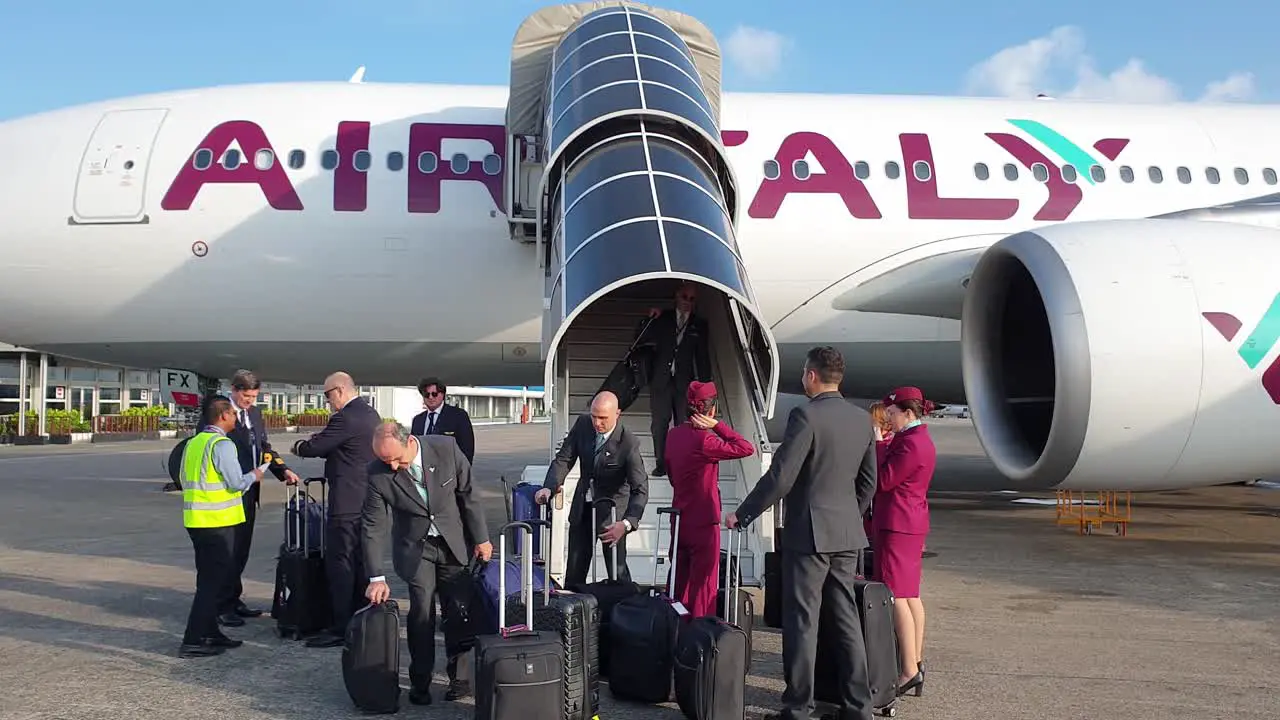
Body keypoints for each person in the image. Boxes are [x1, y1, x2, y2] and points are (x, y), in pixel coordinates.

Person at [725, 346, 878, 720]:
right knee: (845, 621)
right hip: (845, 533)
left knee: (802, 623)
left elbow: (781, 477)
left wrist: (743, 515)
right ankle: (859, 707)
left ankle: (798, 707)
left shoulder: (805, 416)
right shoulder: (861, 420)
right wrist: (846, 517)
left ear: (811, 375)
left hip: (809, 535)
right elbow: (869, 483)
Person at [363, 422, 492, 706]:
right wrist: (376, 577)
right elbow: (373, 525)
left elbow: (468, 494)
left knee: (458, 611)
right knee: (421, 613)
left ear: (410, 441)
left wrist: (481, 538)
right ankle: (420, 681)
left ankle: (459, 679)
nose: (394, 467)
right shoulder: (377, 473)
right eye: (386, 461)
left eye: (397, 459)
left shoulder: (445, 449)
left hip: (452, 544)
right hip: (415, 549)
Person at [178, 395, 276, 658]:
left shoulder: (195, 442)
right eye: (232, 414)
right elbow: (235, 482)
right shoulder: (222, 445)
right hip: (217, 523)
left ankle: (210, 633)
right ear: (222, 416)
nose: (236, 418)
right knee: (214, 584)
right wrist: (255, 475)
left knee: (207, 579)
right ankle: (194, 638)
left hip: (197, 520)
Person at [290, 371, 383, 648]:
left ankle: (341, 626)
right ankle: (359, 619)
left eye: (328, 395)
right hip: (366, 500)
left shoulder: (346, 417)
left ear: (340, 391)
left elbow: (315, 447)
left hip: (346, 502)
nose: (328, 401)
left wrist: (299, 445)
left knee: (340, 564)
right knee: (359, 563)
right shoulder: (370, 414)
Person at [534, 390, 648, 586]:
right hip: (583, 508)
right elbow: (564, 458)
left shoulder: (628, 443)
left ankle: (623, 610)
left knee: (616, 571)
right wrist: (549, 487)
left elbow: (640, 489)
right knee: (575, 568)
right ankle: (574, 609)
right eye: (594, 416)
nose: (597, 423)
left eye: (603, 418)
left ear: (617, 414)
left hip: (612, 515)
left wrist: (627, 524)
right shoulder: (583, 425)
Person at [662, 380, 754, 617]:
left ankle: (676, 633)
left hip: (679, 519)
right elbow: (745, 448)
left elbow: (672, 475)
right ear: (711, 410)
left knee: (678, 584)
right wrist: (718, 426)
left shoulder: (672, 436)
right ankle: (700, 637)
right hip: (703, 521)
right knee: (703, 588)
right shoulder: (705, 440)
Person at [219, 370, 300, 629]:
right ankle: (222, 605)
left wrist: (282, 469)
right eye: (245, 396)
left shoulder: (254, 414)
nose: (249, 401)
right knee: (227, 552)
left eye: (253, 396)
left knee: (241, 550)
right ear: (234, 390)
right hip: (228, 493)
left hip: (249, 492)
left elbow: (263, 448)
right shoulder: (219, 413)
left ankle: (234, 598)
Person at [872, 386, 937, 696]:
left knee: (896, 595)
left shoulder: (910, 444)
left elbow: (884, 480)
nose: (889, 418)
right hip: (910, 522)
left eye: (894, 413)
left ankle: (909, 669)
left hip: (898, 523)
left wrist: (878, 445)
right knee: (910, 595)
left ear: (909, 413)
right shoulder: (916, 440)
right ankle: (916, 660)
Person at [641, 281, 712, 477]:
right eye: (684, 297)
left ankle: (680, 461)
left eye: (692, 299)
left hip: (684, 382)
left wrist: (706, 387)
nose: (687, 302)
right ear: (676, 297)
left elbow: (702, 357)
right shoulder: (663, 318)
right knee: (659, 423)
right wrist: (647, 319)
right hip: (661, 380)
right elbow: (642, 339)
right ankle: (661, 462)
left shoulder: (700, 324)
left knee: (683, 423)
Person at [410, 377, 476, 464]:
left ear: (443, 394)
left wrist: (462, 473)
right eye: (426, 394)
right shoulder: (418, 420)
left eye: (434, 394)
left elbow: (467, 449)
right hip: (423, 473)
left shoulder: (458, 416)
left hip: (448, 472)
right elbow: (412, 448)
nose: (430, 397)